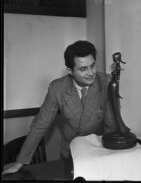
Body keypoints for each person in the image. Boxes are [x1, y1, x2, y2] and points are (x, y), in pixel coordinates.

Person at [3, 40, 117, 176]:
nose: (91, 73)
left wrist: (110, 157)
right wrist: (19, 162)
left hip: (99, 150)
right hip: (70, 153)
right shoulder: (57, 88)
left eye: (92, 66)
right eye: (83, 69)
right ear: (70, 71)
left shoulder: (106, 82)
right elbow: (40, 125)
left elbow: (111, 125)